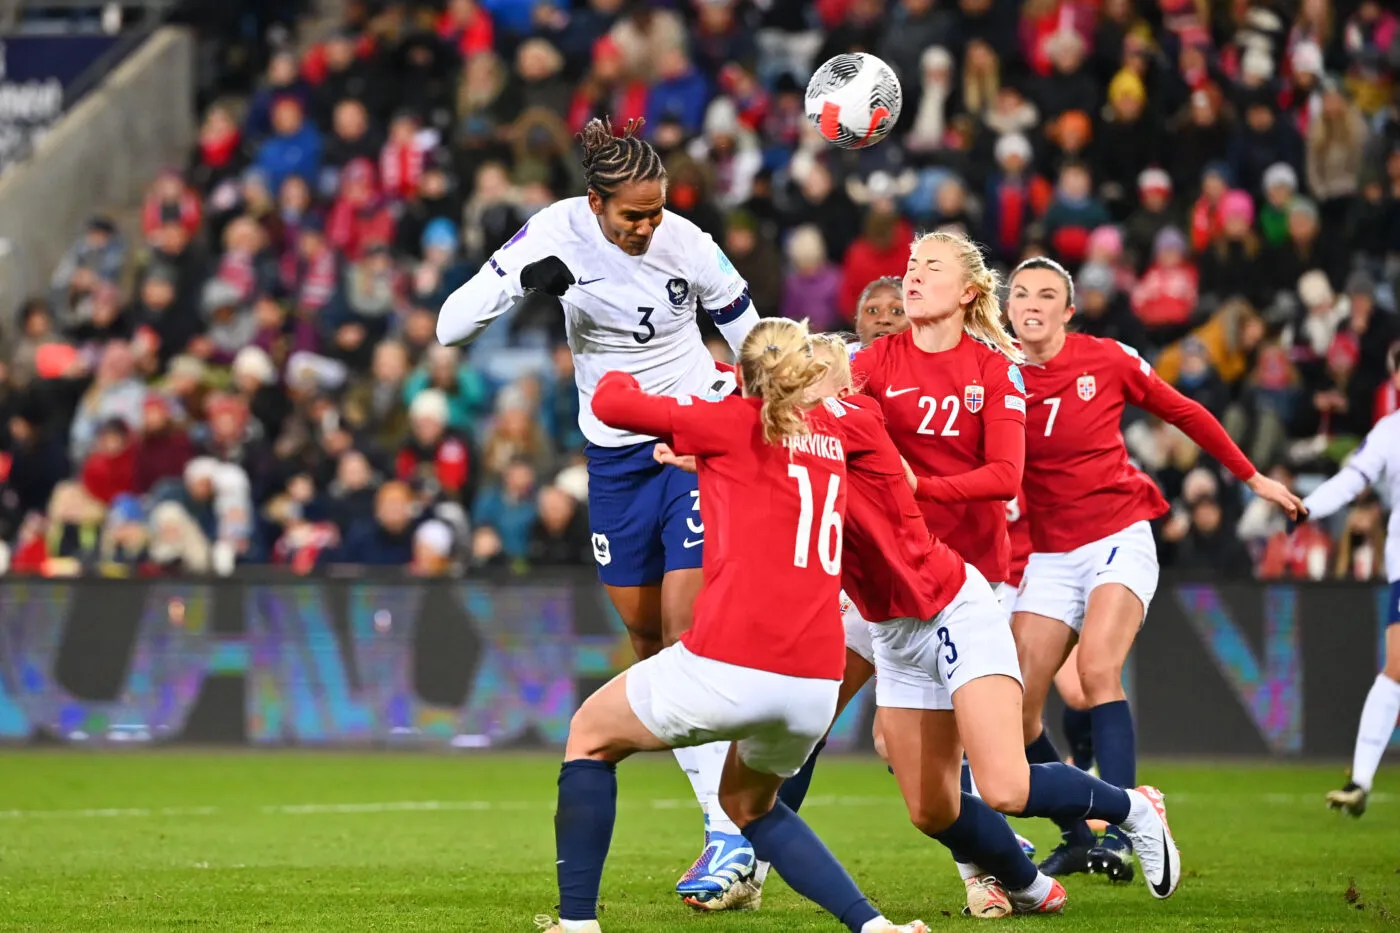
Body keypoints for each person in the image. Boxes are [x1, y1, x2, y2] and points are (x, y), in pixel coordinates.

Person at [437, 116, 763, 902]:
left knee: (690, 631)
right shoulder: (553, 232)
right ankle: (733, 822)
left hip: (688, 443)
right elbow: (451, 325)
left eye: (656, 211)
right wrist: (518, 282)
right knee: (649, 643)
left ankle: (730, 833)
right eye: (633, 216)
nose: (648, 227)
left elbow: (751, 336)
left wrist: (749, 420)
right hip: (614, 460)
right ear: (595, 202)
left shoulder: (687, 241)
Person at [534, 319, 928, 933]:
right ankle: (875, 927)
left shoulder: (734, 421)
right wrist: (705, 466)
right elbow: (765, 481)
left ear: (742, 376)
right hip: (814, 682)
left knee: (589, 735)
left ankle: (577, 923)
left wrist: (619, 360)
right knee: (750, 806)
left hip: (734, 659)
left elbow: (613, 403)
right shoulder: (830, 434)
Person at [1004, 257, 1304, 880]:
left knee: (1096, 669)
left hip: (1118, 533)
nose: (1031, 302)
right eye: (1021, 293)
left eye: (1047, 294)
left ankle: (1125, 826)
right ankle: (1082, 832)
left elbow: (1183, 412)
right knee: (1018, 715)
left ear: (1068, 310)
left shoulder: (1107, 358)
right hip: (1050, 554)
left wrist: (1252, 478)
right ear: (1007, 307)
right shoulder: (993, 370)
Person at [1298, 345, 1400, 817]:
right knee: (1396, 669)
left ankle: (1360, 779)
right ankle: (1360, 780)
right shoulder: (1390, 432)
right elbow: (1350, 481)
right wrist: (1307, 507)